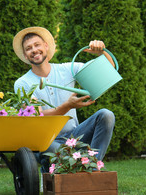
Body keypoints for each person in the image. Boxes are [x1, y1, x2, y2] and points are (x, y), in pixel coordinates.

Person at [13, 26, 115, 174]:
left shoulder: (67, 69)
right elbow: (36, 116)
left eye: (37, 45)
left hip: (75, 137)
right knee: (50, 146)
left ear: (46, 47)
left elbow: (107, 72)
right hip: (47, 141)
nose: (34, 50)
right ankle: (70, 167)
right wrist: (67, 106)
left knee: (106, 115)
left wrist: (102, 53)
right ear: (25, 55)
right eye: (29, 48)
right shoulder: (22, 83)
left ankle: (92, 169)